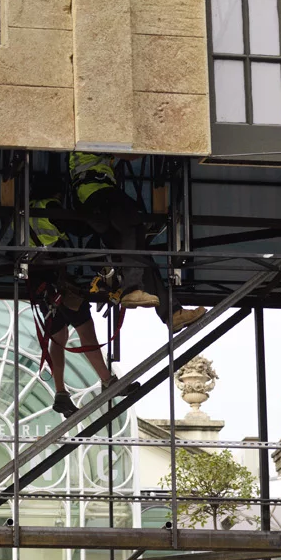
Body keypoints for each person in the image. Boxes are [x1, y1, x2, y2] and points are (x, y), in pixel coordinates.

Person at [68, 152, 206, 332]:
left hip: (91, 197)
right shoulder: (91, 133)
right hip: (96, 192)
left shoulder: (91, 136)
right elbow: (128, 154)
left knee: (140, 253)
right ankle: (131, 288)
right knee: (133, 224)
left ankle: (172, 313)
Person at [28, 183, 114, 417]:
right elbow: (75, 227)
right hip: (59, 282)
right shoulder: (49, 207)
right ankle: (107, 381)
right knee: (86, 330)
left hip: (39, 284)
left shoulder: (25, 212)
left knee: (58, 338)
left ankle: (61, 393)